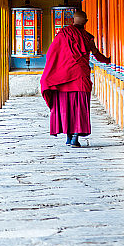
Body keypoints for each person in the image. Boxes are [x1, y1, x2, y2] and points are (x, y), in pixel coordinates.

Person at [40, 10, 110, 147]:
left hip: (62, 79)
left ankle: (68, 137)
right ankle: (75, 138)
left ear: (72, 20)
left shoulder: (62, 35)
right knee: (80, 108)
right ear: (86, 22)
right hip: (80, 77)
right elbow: (96, 54)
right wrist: (108, 60)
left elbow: (51, 55)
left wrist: (51, 73)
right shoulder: (87, 37)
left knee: (65, 107)